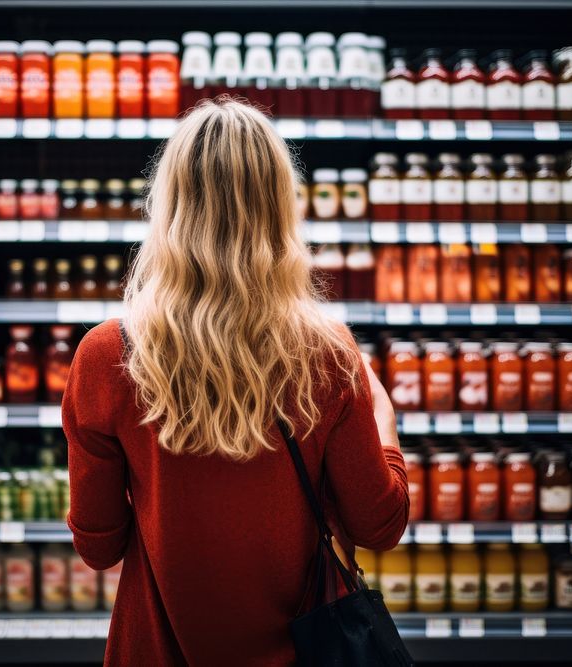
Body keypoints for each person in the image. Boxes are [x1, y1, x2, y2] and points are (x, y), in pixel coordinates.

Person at [62, 98, 408, 666]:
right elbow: (382, 524)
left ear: (169, 204)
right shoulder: (327, 353)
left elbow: (98, 544)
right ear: (279, 208)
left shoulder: (106, 355)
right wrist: (380, 417)